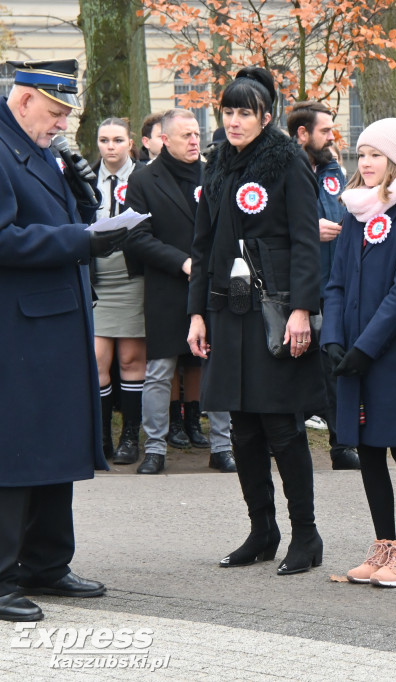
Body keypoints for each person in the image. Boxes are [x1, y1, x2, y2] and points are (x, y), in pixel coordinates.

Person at [187, 66, 324, 576]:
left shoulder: (288, 160)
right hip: (228, 309)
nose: (235, 121)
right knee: (241, 429)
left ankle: (306, 536)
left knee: (281, 427)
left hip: (276, 312)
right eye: (228, 111)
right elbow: (202, 244)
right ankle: (261, 531)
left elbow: (307, 240)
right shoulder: (218, 162)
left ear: (266, 116)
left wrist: (302, 310)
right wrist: (196, 312)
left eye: (245, 112)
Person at [0, 58, 118, 622]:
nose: (58, 127)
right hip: (17, 327)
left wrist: (87, 202)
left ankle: (47, 561)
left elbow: (67, 216)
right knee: (17, 449)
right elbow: (4, 239)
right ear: (23, 101)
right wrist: (81, 238)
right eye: (52, 115)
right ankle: (1, 577)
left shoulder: (42, 150)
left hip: (57, 319)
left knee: (54, 443)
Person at [322, 118, 396, 588]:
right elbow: (335, 282)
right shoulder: (354, 212)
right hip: (352, 351)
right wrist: (333, 337)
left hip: (392, 352)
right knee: (367, 448)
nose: (366, 163)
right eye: (362, 154)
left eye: (376, 155)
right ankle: (382, 544)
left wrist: (367, 348)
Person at [124, 109, 235, 475]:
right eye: (185, 135)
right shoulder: (143, 180)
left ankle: (222, 446)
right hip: (168, 285)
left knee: (216, 363)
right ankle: (154, 449)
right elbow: (136, 237)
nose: (194, 141)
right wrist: (182, 262)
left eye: (196, 134)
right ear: (164, 140)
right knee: (159, 370)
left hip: (213, 284)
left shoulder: (214, 173)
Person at [286, 100, 359, 471]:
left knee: (334, 361)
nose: (332, 136)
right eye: (325, 130)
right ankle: (288, 440)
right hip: (294, 284)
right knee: (292, 360)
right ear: (302, 134)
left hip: (333, 284)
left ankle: (342, 444)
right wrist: (307, 231)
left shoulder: (334, 170)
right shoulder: (281, 168)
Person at [92, 117, 146, 466]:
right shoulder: (84, 178)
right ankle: (100, 439)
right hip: (98, 278)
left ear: (129, 144)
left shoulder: (143, 177)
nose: (109, 146)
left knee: (130, 359)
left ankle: (130, 436)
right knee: (98, 360)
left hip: (132, 278)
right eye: (103, 140)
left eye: (116, 140)